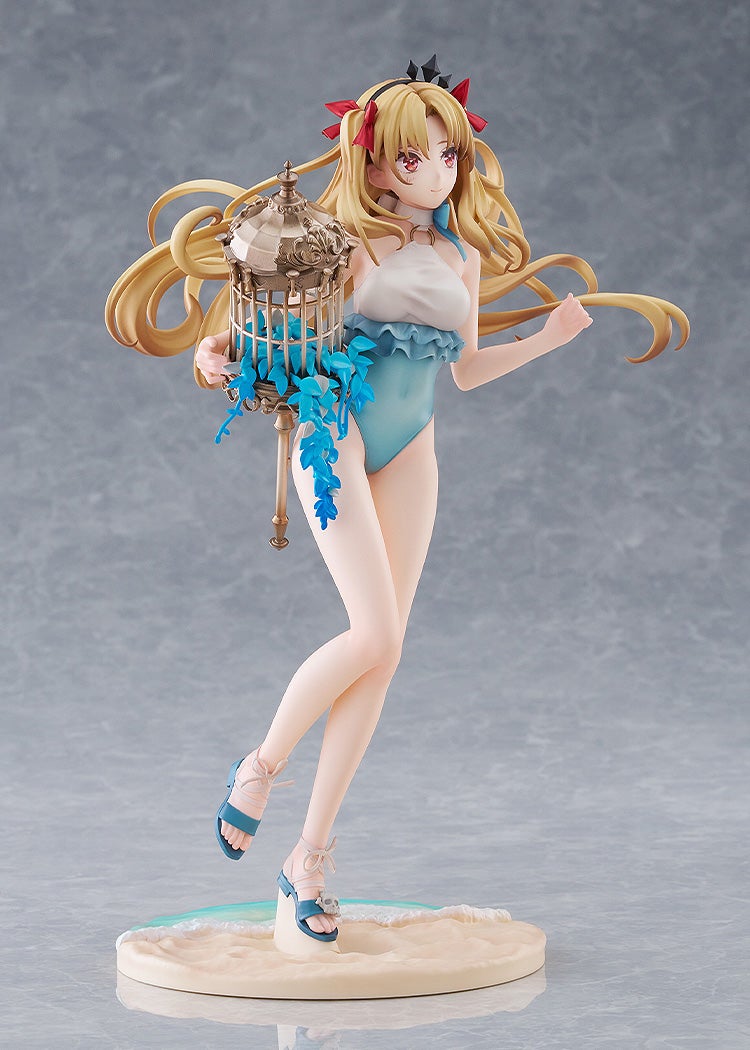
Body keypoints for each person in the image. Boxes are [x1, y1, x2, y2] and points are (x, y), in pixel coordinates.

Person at [106, 63, 689, 943]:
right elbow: (264, 318)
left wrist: (548, 338)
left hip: (413, 447)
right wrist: (212, 351)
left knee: (384, 656)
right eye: (415, 157)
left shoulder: (461, 254)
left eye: (449, 154)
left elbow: (467, 370)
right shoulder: (344, 239)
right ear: (375, 163)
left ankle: (307, 862)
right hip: (335, 432)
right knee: (372, 636)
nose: (437, 172)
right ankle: (260, 765)